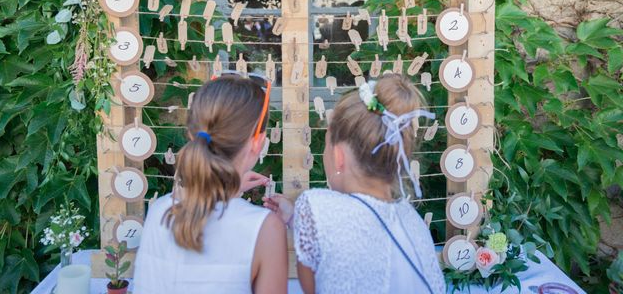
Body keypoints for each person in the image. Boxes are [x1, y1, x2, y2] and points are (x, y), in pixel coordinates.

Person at [264, 74, 446, 294]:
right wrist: (296, 219)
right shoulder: (414, 222)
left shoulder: (315, 205)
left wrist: (299, 217)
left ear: (339, 156)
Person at [133, 73, 287, 294]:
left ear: (192, 134)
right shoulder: (265, 228)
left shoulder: (159, 211)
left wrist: (228, 189)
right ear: (259, 143)